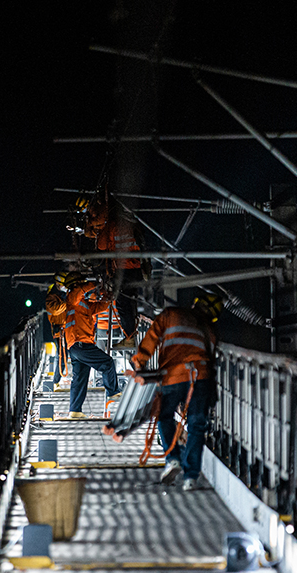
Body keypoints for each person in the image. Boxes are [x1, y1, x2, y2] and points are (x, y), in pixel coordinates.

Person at [128, 292, 224, 491]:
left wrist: (139, 363)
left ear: (195, 303)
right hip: (201, 377)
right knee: (197, 425)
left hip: (173, 375)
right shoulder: (209, 330)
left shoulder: (171, 314)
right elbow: (212, 358)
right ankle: (190, 478)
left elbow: (152, 337)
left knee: (163, 416)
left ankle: (173, 459)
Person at [45, 271, 120, 418]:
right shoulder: (71, 298)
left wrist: (107, 297)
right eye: (82, 284)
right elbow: (79, 291)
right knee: (107, 363)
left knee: (80, 379)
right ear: (77, 285)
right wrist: (94, 284)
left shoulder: (82, 303)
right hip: (81, 344)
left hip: (77, 346)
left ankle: (75, 411)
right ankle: (113, 392)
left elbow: (98, 307)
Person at [85, 196, 148, 349]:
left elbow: (100, 246)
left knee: (122, 303)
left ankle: (129, 337)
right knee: (130, 300)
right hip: (136, 268)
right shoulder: (133, 224)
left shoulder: (112, 226)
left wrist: (98, 228)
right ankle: (130, 335)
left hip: (123, 270)